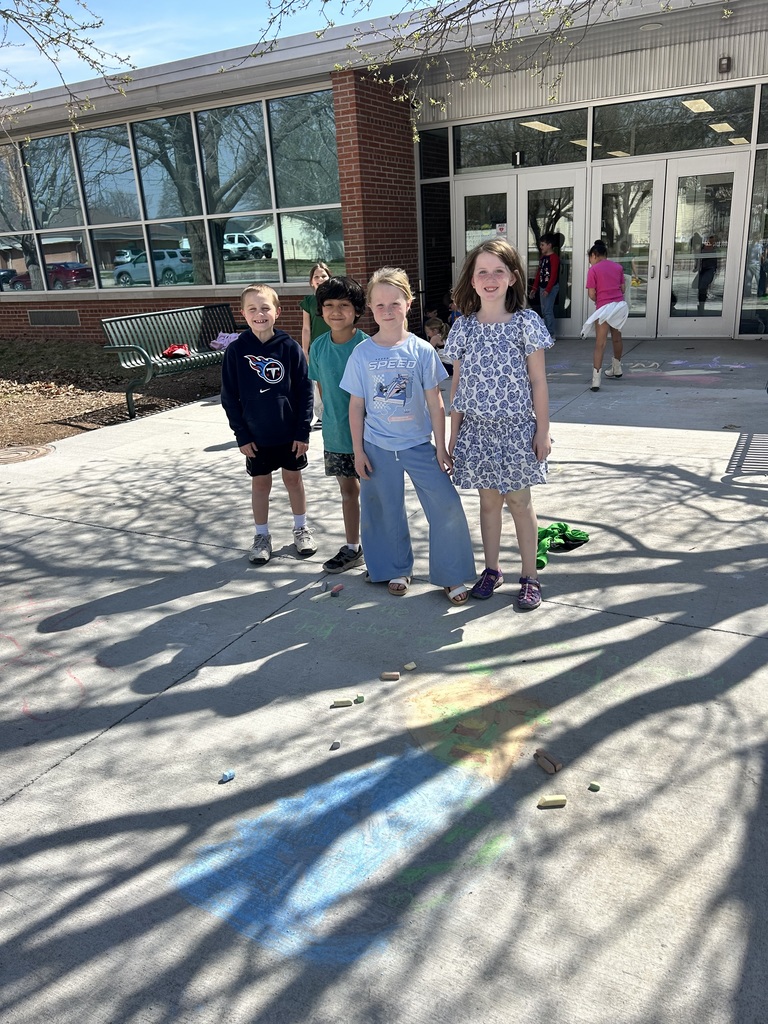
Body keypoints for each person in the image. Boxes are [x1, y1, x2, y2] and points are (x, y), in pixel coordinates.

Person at [340, 267, 475, 604]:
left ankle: (451, 574)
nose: (387, 310)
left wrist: (442, 447)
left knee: (446, 505)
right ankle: (394, 568)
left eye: (394, 303)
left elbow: (435, 401)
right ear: (369, 308)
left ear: (409, 303)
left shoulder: (422, 351)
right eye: (380, 305)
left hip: (417, 445)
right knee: (383, 509)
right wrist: (358, 450)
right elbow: (356, 407)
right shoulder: (362, 354)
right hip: (377, 446)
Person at [445, 238, 552, 612]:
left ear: (512, 277)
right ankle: (492, 570)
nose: (490, 278)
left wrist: (542, 430)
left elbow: (538, 381)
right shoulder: (463, 328)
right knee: (488, 503)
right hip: (477, 430)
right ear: (472, 281)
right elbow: (457, 386)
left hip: (518, 429)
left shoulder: (527, 323)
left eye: (498, 271)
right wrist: (451, 438)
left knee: (520, 503)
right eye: (482, 272)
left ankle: (530, 577)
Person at [221, 284, 316, 566]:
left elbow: (305, 391)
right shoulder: (237, 351)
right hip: (256, 435)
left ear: (277, 311)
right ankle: (261, 536)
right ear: (243, 314)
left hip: (289, 434)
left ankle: (301, 528)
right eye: (252, 309)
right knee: (260, 485)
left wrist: (303, 430)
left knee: (293, 480)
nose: (259, 314)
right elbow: (229, 397)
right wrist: (241, 435)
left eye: (265, 308)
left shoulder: (290, 348)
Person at [308, 275, 368, 574]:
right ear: (320, 309)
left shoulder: (368, 346)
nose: (336, 311)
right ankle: (353, 547)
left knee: (375, 494)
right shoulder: (318, 347)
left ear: (357, 309)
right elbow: (321, 389)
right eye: (329, 304)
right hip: (335, 435)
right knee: (348, 492)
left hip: (370, 439)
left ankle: (381, 548)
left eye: (344, 305)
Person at [581, 240, 628, 391]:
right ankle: (617, 368)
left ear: (594, 255)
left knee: (600, 344)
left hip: (603, 307)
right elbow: (623, 288)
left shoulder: (593, 270)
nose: (590, 261)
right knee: (617, 338)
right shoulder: (618, 267)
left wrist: (600, 300)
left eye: (590, 258)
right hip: (619, 306)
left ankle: (596, 380)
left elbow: (591, 293)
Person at [300, 262, 331, 428]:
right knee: (317, 381)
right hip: (316, 349)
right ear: (311, 281)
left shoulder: (335, 301)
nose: (320, 279)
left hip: (333, 346)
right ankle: (320, 415)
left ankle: (334, 411)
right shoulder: (309, 301)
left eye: (324, 275)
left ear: (329, 278)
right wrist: (305, 350)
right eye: (316, 276)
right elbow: (306, 328)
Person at [529, 232, 560, 341]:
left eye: (542, 244)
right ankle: (547, 332)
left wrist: (548, 289)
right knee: (544, 311)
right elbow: (539, 273)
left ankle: (551, 334)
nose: (540, 247)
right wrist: (534, 288)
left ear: (549, 245)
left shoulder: (554, 258)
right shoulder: (542, 258)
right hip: (543, 287)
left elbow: (554, 275)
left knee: (547, 311)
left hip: (550, 287)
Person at [695, 235, 718, 313]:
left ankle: (701, 305)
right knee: (700, 287)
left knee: (703, 286)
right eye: (710, 240)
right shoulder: (703, 248)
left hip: (710, 269)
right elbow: (698, 257)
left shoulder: (715, 249)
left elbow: (717, 260)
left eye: (713, 241)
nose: (711, 242)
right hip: (703, 269)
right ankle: (701, 304)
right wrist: (696, 266)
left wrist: (716, 270)